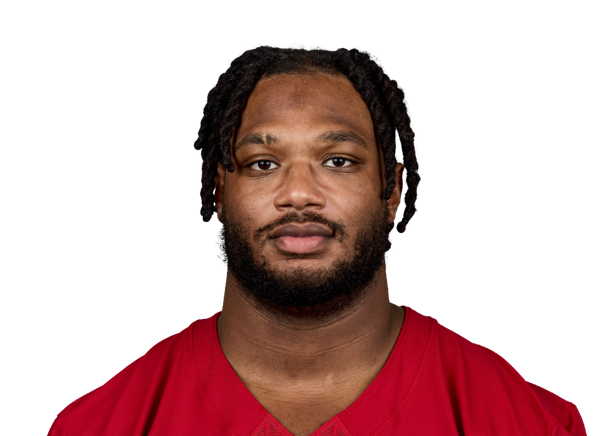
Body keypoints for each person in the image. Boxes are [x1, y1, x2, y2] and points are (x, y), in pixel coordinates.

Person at [47, 46, 586, 436]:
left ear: (393, 191)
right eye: (263, 163)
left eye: (338, 160)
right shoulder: (97, 426)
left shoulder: (530, 423)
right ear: (219, 192)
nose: (299, 194)